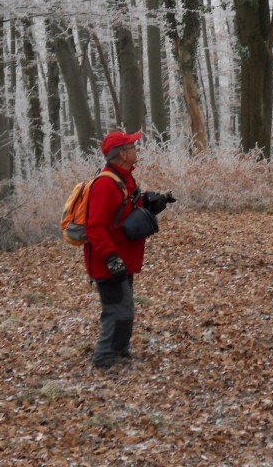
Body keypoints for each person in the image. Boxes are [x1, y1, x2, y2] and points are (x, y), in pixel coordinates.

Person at [84, 130, 173, 369]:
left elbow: (126, 209)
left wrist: (153, 203)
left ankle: (120, 353)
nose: (136, 149)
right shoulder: (105, 184)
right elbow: (94, 227)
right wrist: (112, 258)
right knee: (116, 311)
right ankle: (104, 359)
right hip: (109, 263)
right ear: (123, 154)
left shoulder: (124, 179)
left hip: (122, 259)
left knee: (126, 309)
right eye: (132, 146)